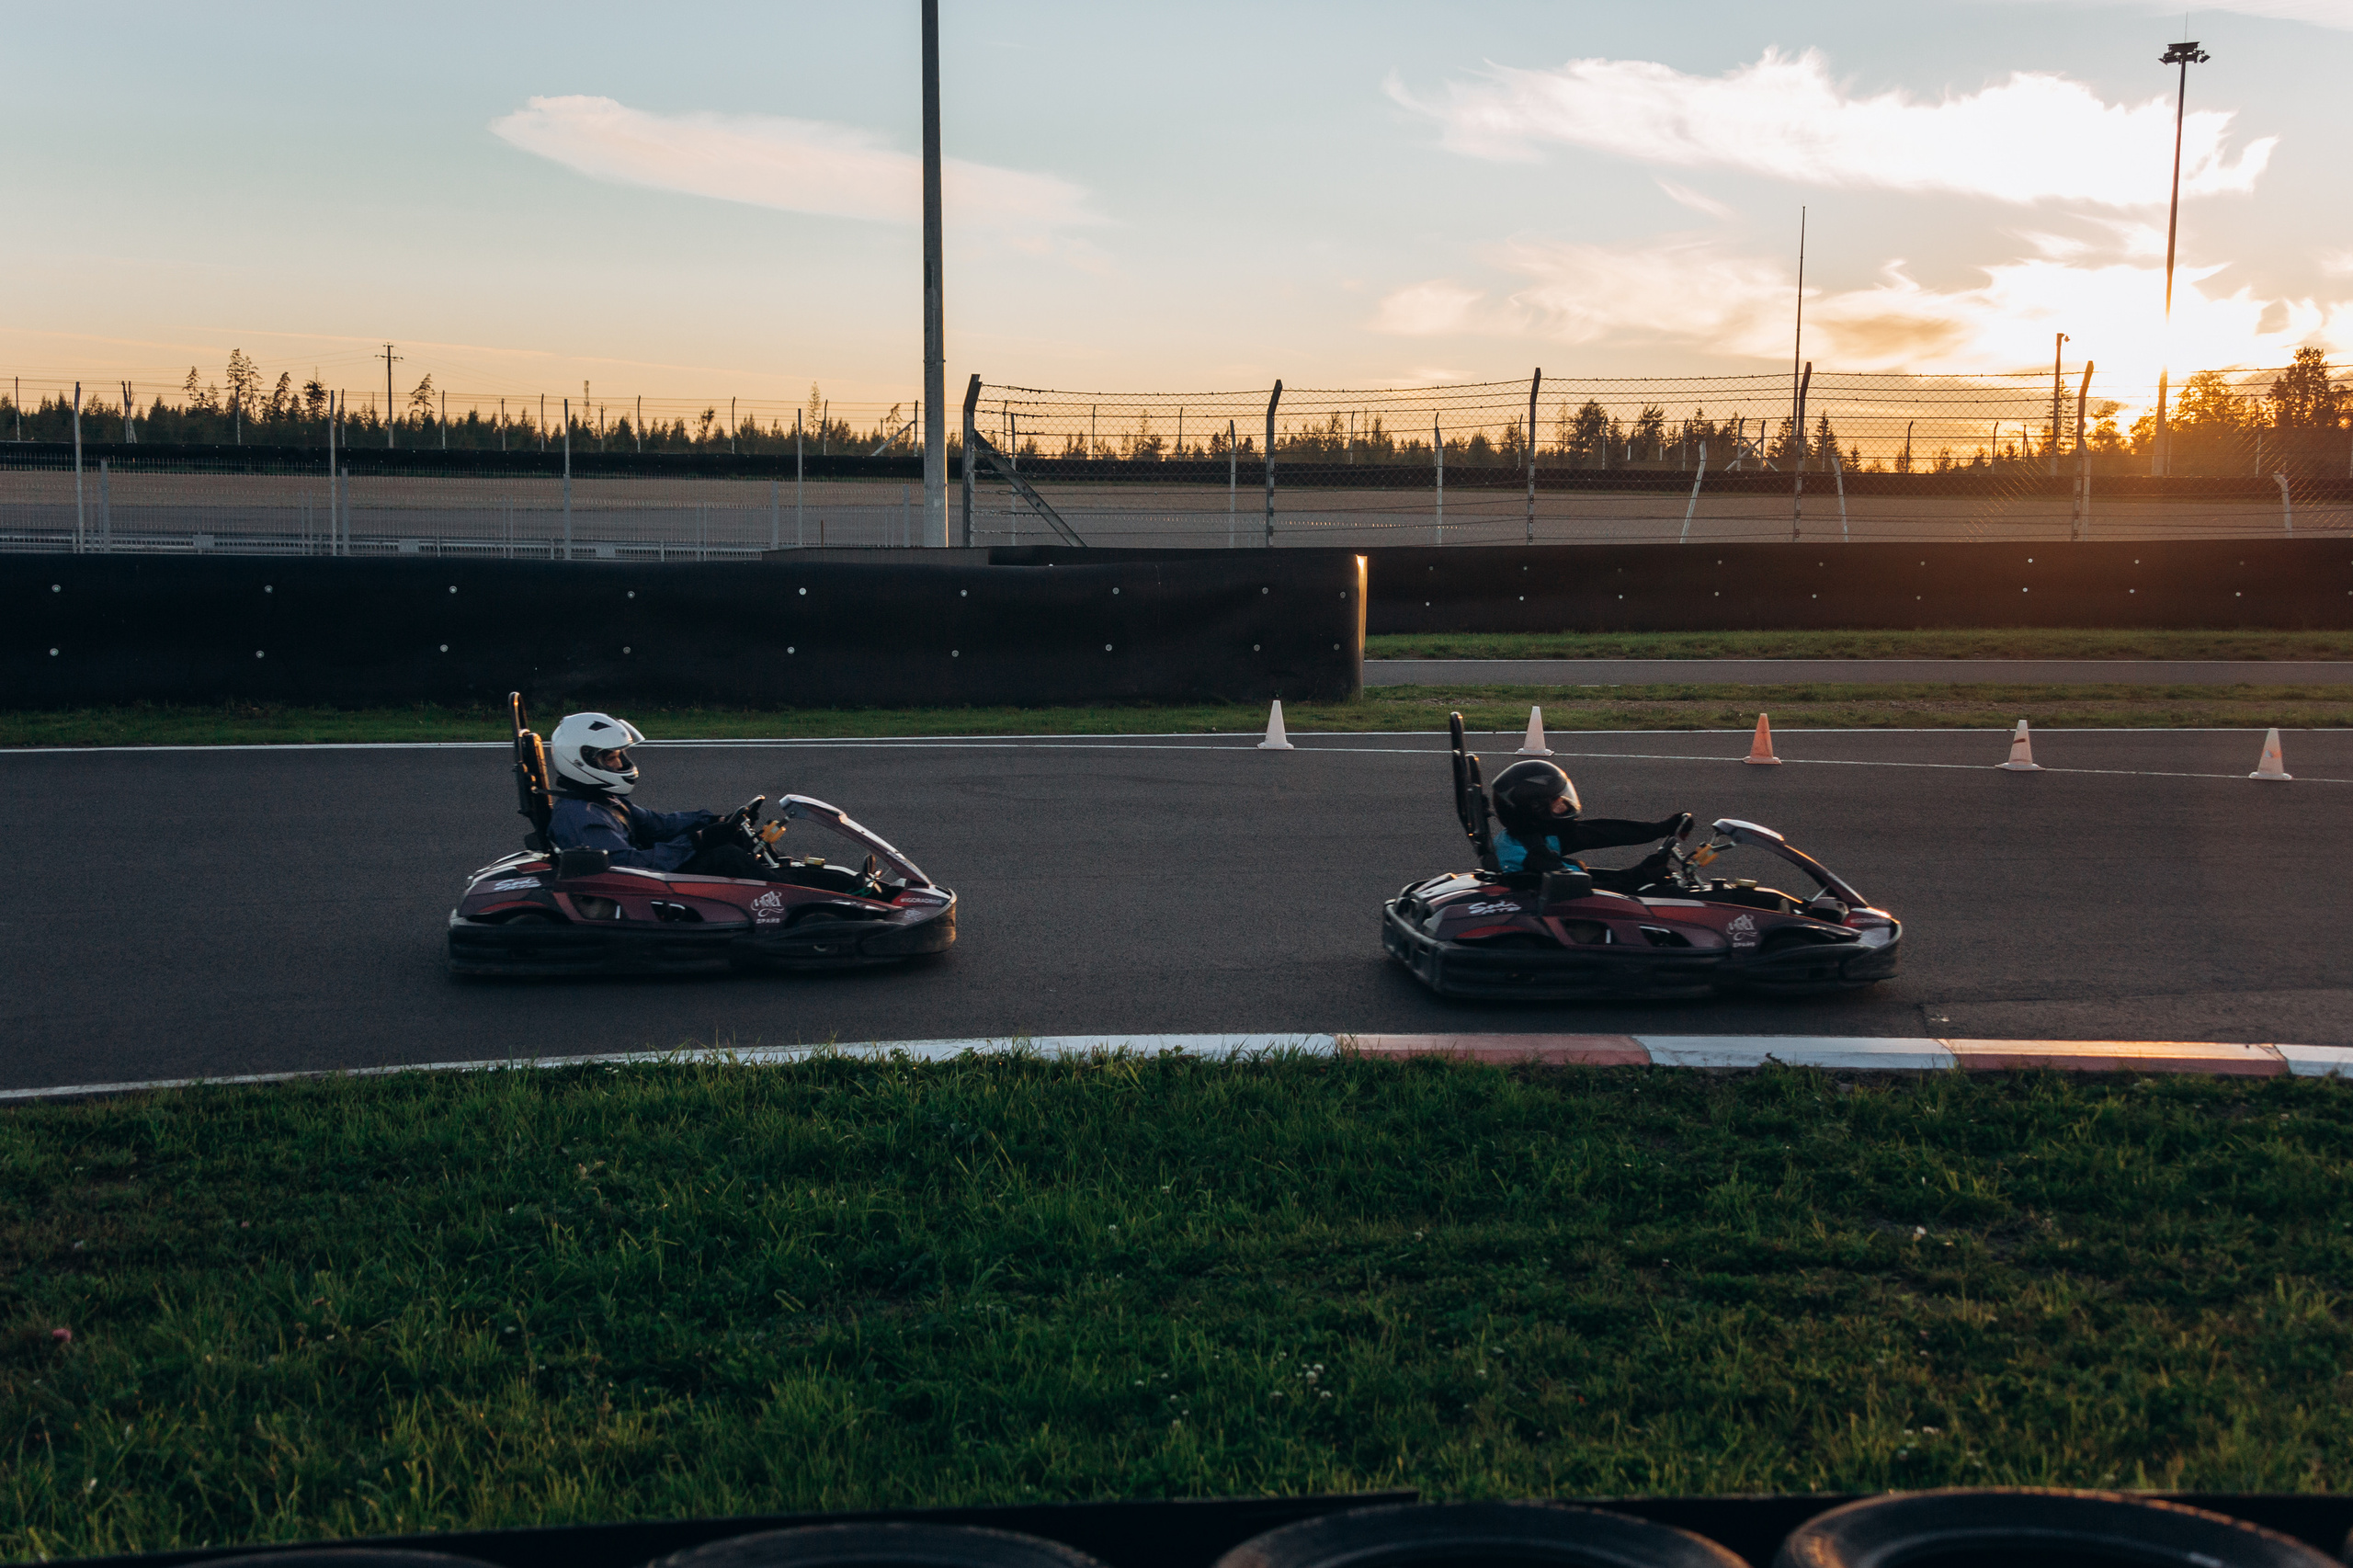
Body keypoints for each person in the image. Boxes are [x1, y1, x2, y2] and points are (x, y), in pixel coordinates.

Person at [545, 710, 775, 880]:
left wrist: (716, 821)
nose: (619, 764)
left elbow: (659, 824)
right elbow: (629, 867)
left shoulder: (602, 800)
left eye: (619, 756)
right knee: (725, 857)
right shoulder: (581, 818)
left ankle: (786, 879)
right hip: (637, 887)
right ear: (581, 760)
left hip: (647, 875)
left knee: (734, 839)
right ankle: (789, 902)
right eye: (611, 758)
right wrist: (699, 840)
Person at [1487, 759, 1690, 893]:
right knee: (1671, 896)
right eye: (1557, 803)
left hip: (1561, 894)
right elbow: (1588, 891)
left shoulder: (1529, 833)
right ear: (1535, 809)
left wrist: (1661, 828)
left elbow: (1600, 833)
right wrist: (1640, 876)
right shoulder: (1533, 856)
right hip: (1562, 910)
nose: (1565, 804)